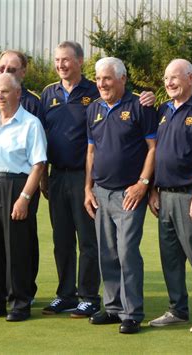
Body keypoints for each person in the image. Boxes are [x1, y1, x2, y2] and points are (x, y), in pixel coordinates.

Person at [40, 41, 156, 318]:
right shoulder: (59, 97)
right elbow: (63, 142)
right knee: (77, 244)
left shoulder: (113, 99)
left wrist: (143, 183)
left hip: (109, 185)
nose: (61, 65)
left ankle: (106, 303)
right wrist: (52, 178)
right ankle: (84, 299)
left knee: (110, 247)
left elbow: (152, 142)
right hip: (72, 180)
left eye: (66, 60)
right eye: (57, 60)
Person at [84, 57, 157, 334]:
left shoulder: (140, 105)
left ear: (122, 79)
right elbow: (90, 152)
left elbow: (153, 148)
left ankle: (132, 312)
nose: (102, 84)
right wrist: (87, 188)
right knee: (107, 252)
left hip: (129, 193)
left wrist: (143, 184)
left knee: (127, 252)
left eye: (107, 78)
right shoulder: (94, 109)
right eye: (99, 79)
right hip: (100, 191)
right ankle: (113, 308)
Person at [147, 59, 192, 332]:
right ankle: (177, 309)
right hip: (164, 196)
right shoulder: (164, 109)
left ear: (191, 78)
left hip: (190, 194)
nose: (169, 83)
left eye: (174, 78)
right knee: (170, 257)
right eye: (166, 78)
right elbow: (156, 152)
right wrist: (153, 189)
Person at [0, 73, 47, 322]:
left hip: (17, 185)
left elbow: (38, 164)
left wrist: (25, 197)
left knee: (17, 246)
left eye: (4, 91)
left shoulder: (31, 123)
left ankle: (19, 303)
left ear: (17, 93)